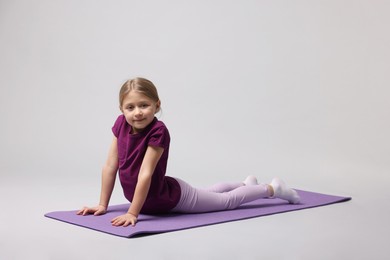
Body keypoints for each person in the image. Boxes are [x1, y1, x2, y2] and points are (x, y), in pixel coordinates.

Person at [77, 77, 300, 227]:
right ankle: (244, 185)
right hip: (153, 199)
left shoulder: (158, 131)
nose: (137, 113)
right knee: (210, 193)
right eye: (130, 107)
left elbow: (144, 174)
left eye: (144, 105)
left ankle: (270, 189)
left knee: (225, 202)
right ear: (121, 109)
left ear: (156, 105)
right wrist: (102, 205)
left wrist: (133, 213)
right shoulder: (120, 125)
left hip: (170, 198)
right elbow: (110, 166)